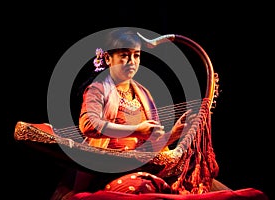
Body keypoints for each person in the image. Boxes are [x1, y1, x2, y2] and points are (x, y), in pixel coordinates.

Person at [51, 27, 230, 200]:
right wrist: (136, 129)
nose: (132, 62)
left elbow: (149, 145)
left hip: (144, 167)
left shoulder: (143, 94)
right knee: (146, 186)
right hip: (106, 172)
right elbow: (89, 125)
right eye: (124, 56)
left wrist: (172, 134)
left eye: (136, 55)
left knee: (206, 184)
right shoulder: (97, 89)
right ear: (107, 58)